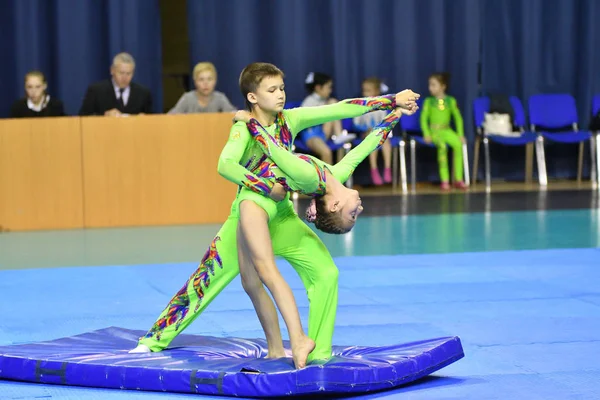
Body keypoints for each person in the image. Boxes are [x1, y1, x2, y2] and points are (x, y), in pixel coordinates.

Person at [130, 62, 416, 366]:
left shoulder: (289, 120)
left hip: (281, 214)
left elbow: (341, 108)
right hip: (252, 208)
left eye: (282, 88)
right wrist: (265, 186)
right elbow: (225, 165)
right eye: (272, 90)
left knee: (326, 274)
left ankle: (318, 351)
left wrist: (392, 102)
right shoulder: (242, 128)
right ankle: (154, 340)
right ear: (253, 97)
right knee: (208, 278)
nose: (280, 95)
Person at [233, 102, 416, 368]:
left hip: (259, 202)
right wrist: (396, 113)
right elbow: (366, 147)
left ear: (334, 206)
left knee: (256, 279)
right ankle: (287, 348)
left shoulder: (309, 178)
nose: (360, 208)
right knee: (250, 282)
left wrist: (247, 120)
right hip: (262, 200)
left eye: (353, 214)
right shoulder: (334, 175)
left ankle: (305, 347)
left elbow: (272, 148)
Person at [419, 72, 467, 191]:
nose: (430, 88)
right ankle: (445, 180)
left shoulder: (451, 101)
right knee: (442, 147)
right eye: (430, 85)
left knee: (458, 145)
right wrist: (426, 133)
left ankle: (458, 179)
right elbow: (423, 119)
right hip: (435, 131)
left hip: (447, 130)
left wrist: (460, 134)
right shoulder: (428, 102)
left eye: (434, 85)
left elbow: (458, 118)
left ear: (443, 86)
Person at [79, 52, 152, 116]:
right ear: (112, 70)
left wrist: (144, 118)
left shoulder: (143, 93)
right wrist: (104, 115)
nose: (124, 77)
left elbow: (152, 119)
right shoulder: (96, 91)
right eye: (121, 73)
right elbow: (83, 117)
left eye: (128, 73)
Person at [168, 62, 236, 114]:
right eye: (201, 79)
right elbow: (170, 117)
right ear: (195, 82)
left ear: (215, 81)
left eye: (209, 79)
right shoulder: (187, 98)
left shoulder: (220, 98)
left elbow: (233, 114)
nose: (205, 83)